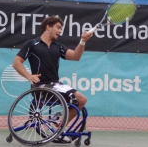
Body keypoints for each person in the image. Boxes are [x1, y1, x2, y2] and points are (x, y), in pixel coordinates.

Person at [13, 15, 92, 143]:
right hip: (40, 87)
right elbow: (17, 62)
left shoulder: (58, 46)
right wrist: (28, 76)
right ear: (48, 27)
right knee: (75, 98)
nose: (60, 31)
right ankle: (59, 131)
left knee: (82, 100)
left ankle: (58, 128)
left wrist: (83, 41)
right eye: (58, 27)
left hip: (56, 85)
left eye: (61, 29)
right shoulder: (32, 44)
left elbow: (75, 56)